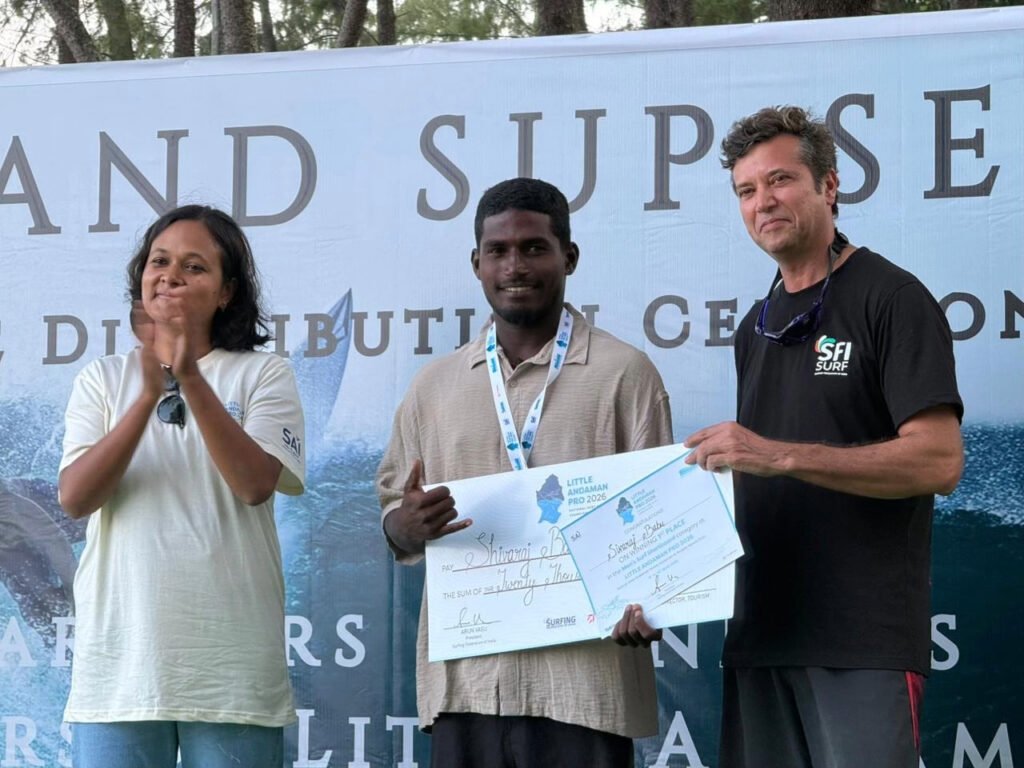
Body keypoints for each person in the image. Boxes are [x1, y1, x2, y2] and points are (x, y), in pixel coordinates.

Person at [684, 107, 964, 767]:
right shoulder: (755, 326)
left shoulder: (892, 298)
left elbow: (940, 461)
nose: (763, 202)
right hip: (760, 638)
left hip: (860, 642)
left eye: (780, 180)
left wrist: (779, 455)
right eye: (746, 190)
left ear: (830, 185)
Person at [376, 178, 671, 768]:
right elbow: (393, 513)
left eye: (534, 247)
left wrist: (651, 602)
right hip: (468, 688)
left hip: (584, 687)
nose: (515, 265)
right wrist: (404, 526)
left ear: (569, 256)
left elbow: (658, 521)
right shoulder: (432, 388)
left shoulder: (624, 374)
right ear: (477, 264)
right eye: (499, 251)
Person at [58, 205, 305, 768]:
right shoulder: (102, 378)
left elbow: (254, 485)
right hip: (120, 675)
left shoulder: (263, 374)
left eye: (194, 267)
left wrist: (187, 374)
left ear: (226, 292)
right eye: (159, 261)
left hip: (231, 675)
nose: (169, 276)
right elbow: (75, 498)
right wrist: (148, 394)